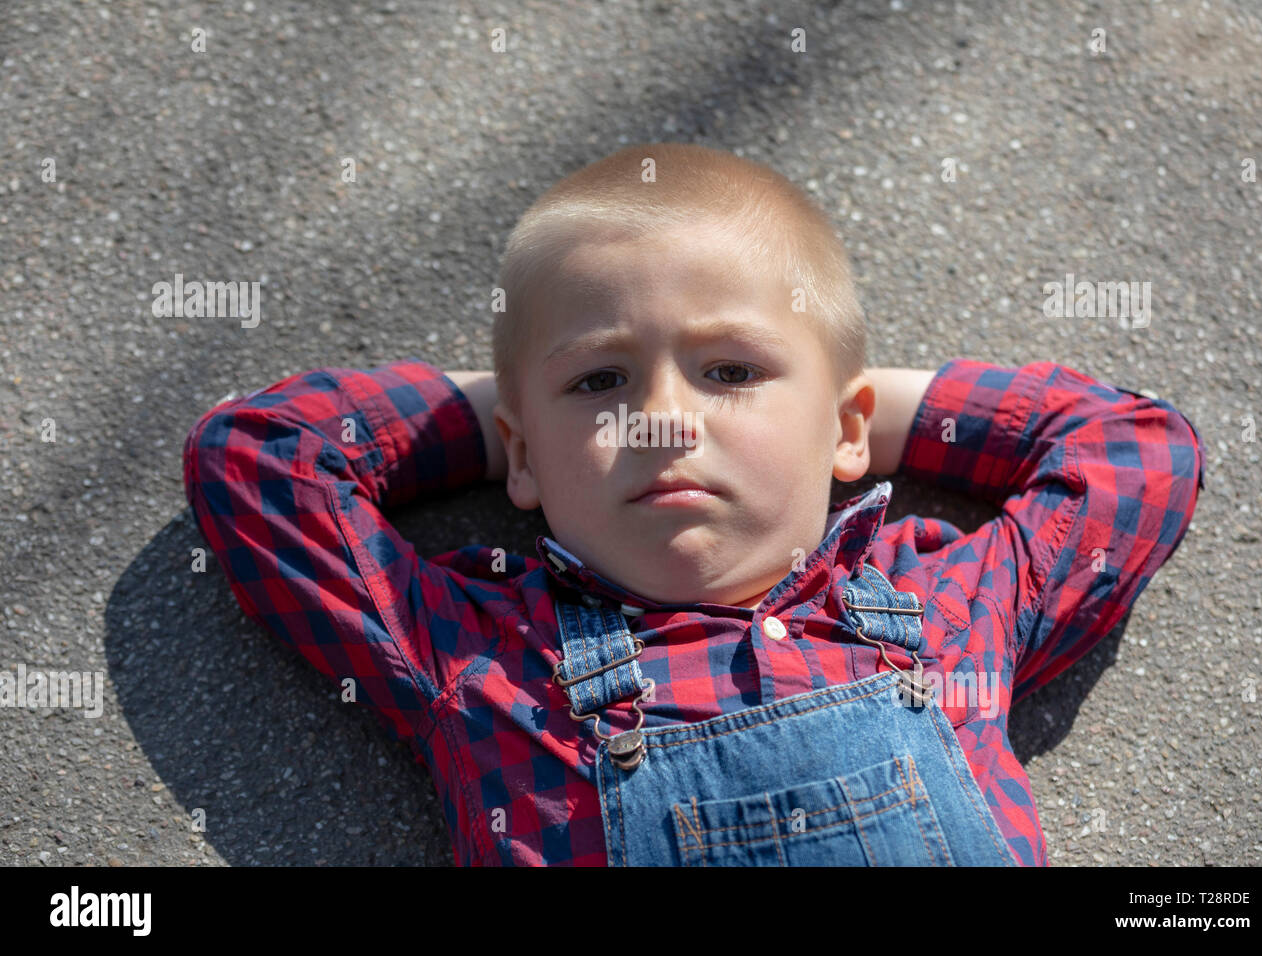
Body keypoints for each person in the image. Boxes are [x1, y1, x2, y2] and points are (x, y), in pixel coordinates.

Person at [182, 142, 1205, 865]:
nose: (665, 420)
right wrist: (521, 418)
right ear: (519, 461)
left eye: (728, 370)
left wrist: (849, 406)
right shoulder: (472, 655)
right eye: (603, 383)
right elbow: (262, 457)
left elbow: (1135, 452)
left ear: (850, 432)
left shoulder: (947, 606)